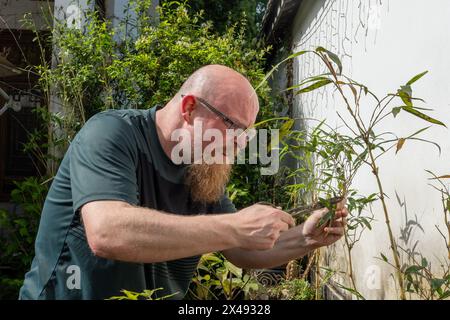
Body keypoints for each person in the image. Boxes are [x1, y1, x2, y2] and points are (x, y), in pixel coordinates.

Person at [19, 65, 347, 299]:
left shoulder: (202, 166)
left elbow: (239, 249)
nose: (240, 142)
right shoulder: (111, 134)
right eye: (233, 126)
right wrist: (233, 225)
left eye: (247, 133)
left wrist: (305, 239)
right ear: (189, 109)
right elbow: (107, 231)